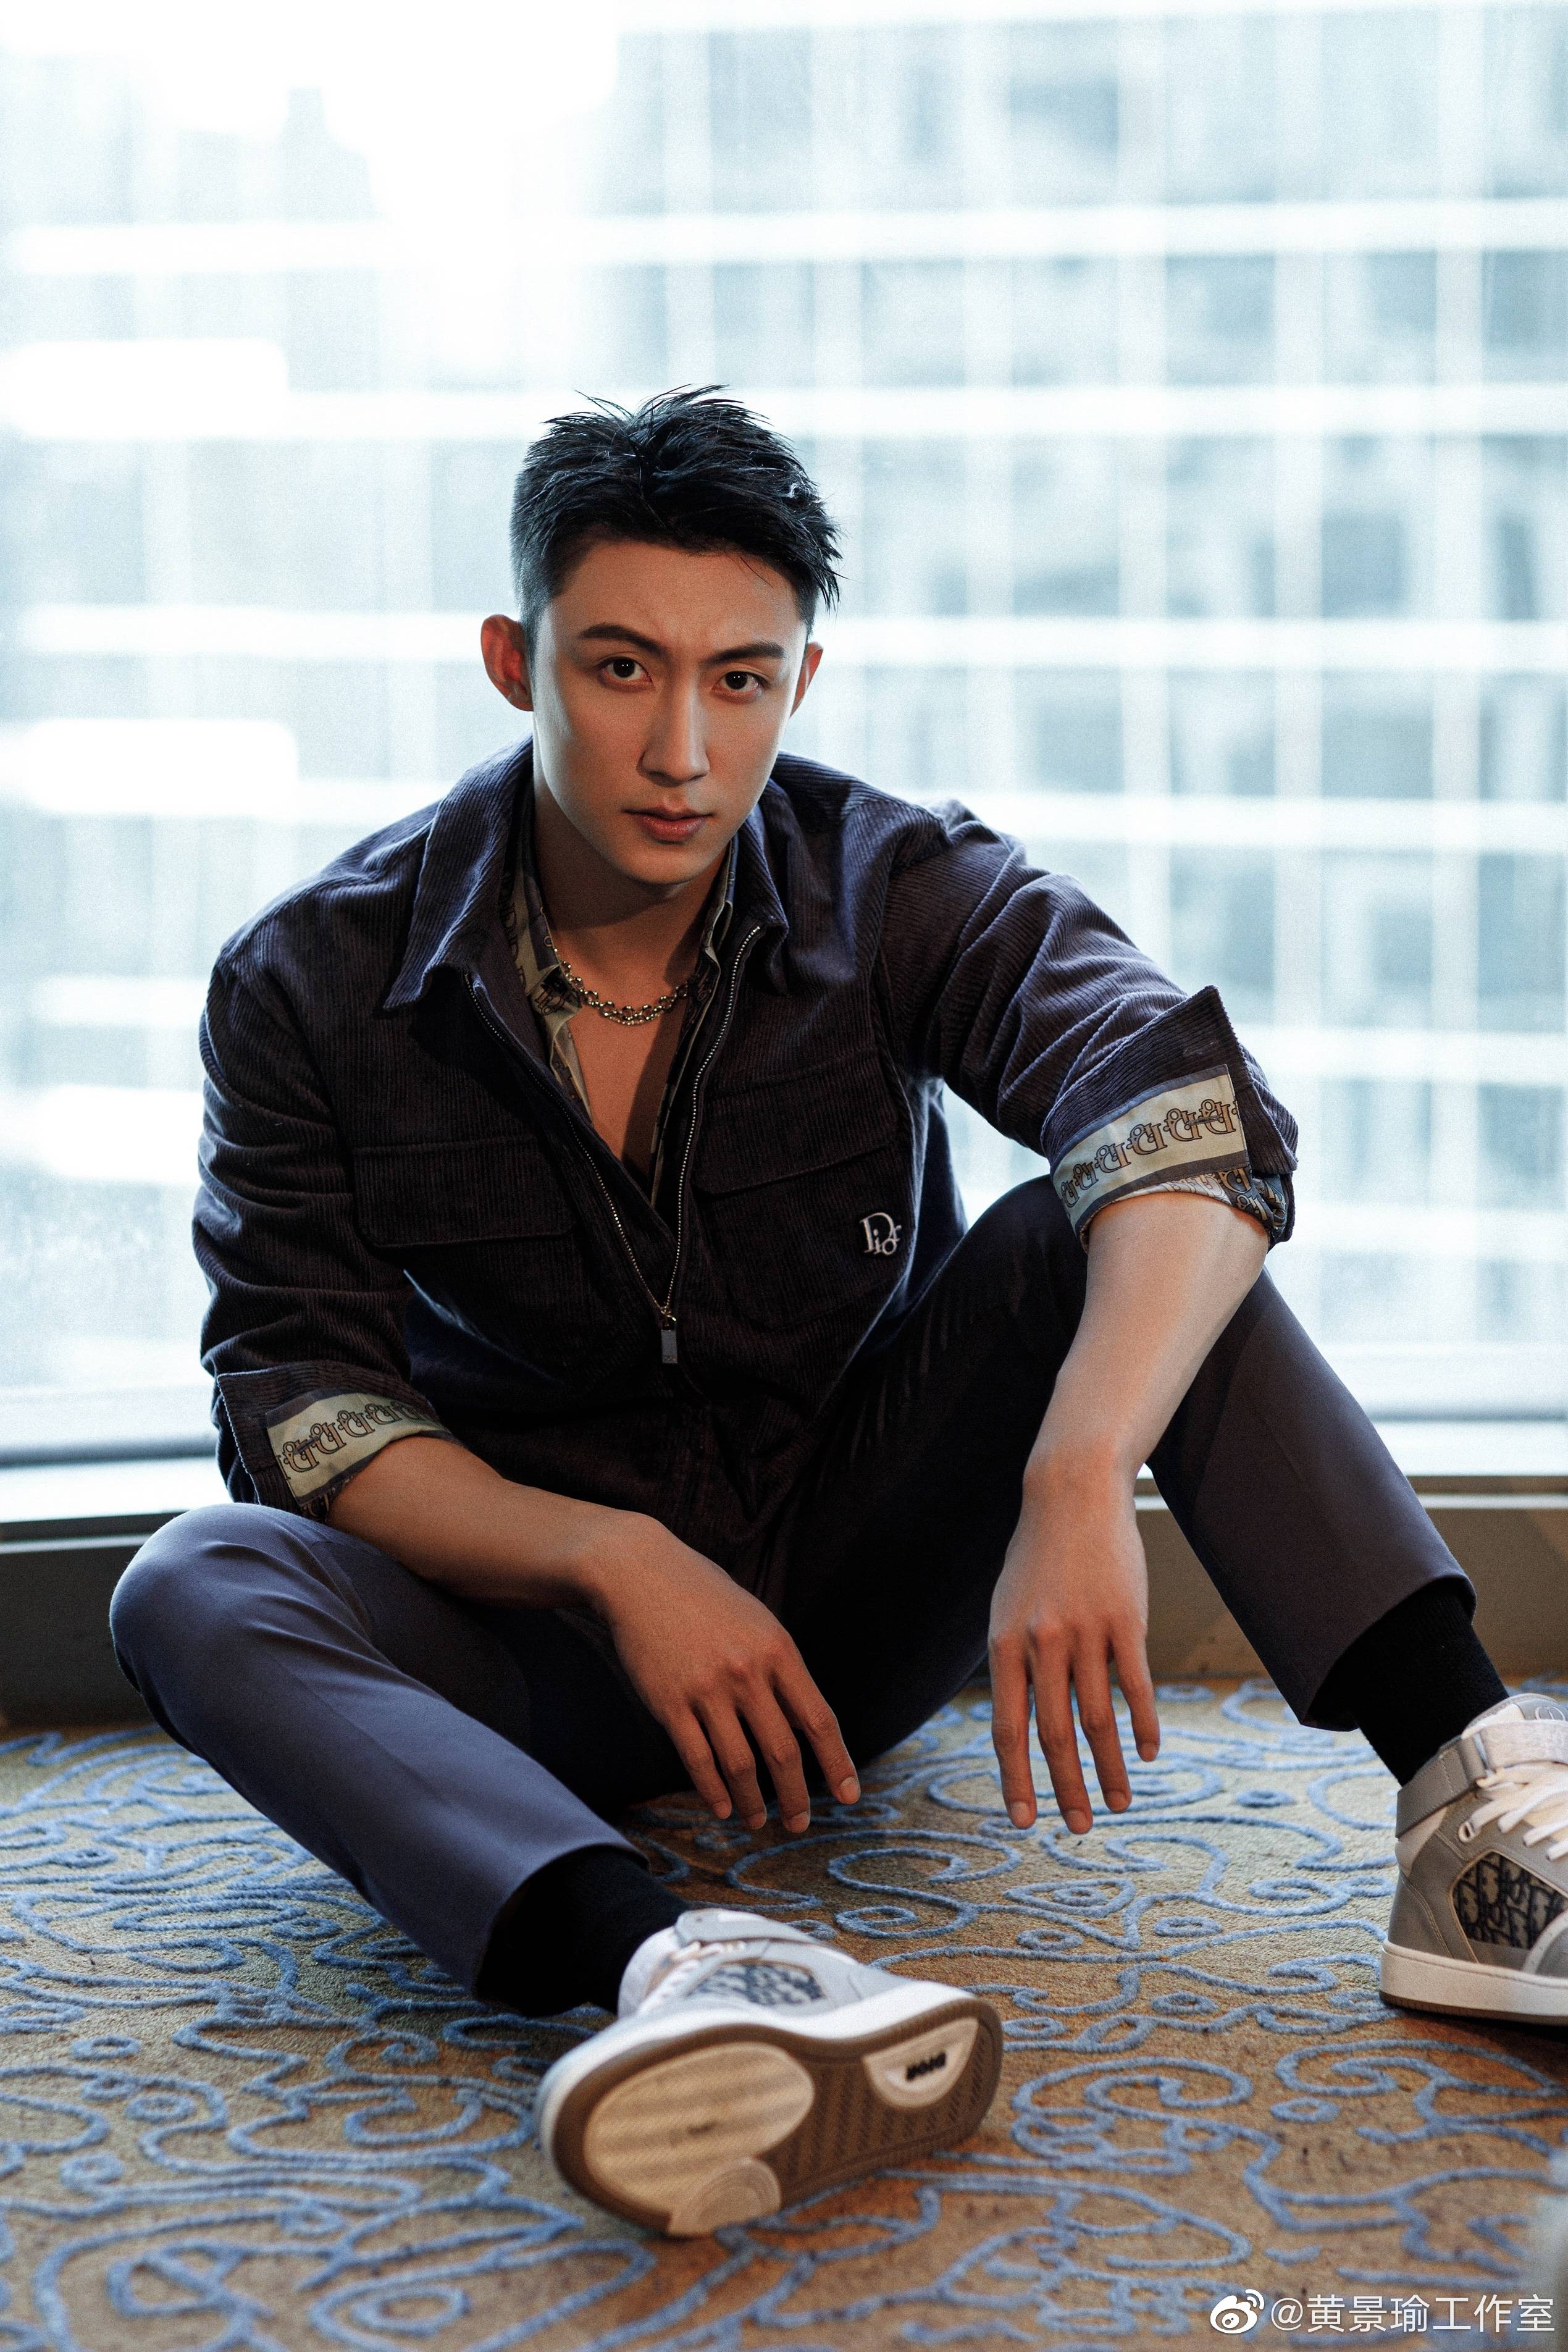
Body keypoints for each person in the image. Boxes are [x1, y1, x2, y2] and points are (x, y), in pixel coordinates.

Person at [112, 390, 1568, 2240]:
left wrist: (1075, 1473)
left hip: (848, 1605)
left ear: (800, 680)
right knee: (190, 1580)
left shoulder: (893, 883)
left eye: (739, 680)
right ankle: (684, 1971)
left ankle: (1473, 1812)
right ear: (513, 661)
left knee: (1105, 1223)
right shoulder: (311, 978)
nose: (681, 748)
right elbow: (302, 1407)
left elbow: (1184, 1110)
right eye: (620, 669)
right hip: (530, 1655)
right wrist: (615, 1562)